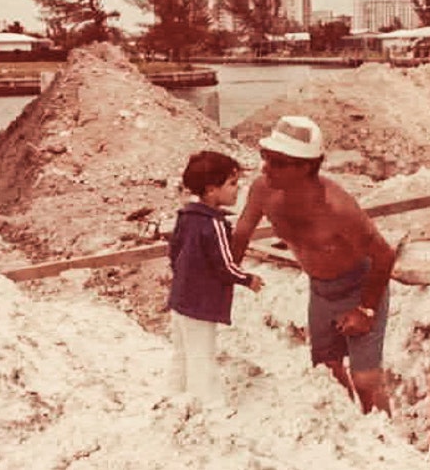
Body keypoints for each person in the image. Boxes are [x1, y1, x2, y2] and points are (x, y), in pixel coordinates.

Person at [230, 116, 395, 416]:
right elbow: (241, 234)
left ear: (305, 166)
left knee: (366, 379)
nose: (266, 167)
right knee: (327, 373)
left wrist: (365, 310)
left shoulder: (338, 208)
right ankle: (352, 434)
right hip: (320, 290)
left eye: (277, 162)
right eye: (265, 157)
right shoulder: (262, 190)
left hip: (360, 287)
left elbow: (384, 255)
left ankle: (385, 443)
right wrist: (223, 278)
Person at [167, 150, 264, 409]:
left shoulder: (186, 216)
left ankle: (175, 396)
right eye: (232, 184)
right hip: (201, 303)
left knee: (182, 352)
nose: (237, 190)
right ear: (212, 190)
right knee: (202, 355)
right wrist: (247, 279)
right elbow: (225, 264)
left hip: (180, 299)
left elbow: (174, 253)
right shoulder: (215, 224)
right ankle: (210, 405)